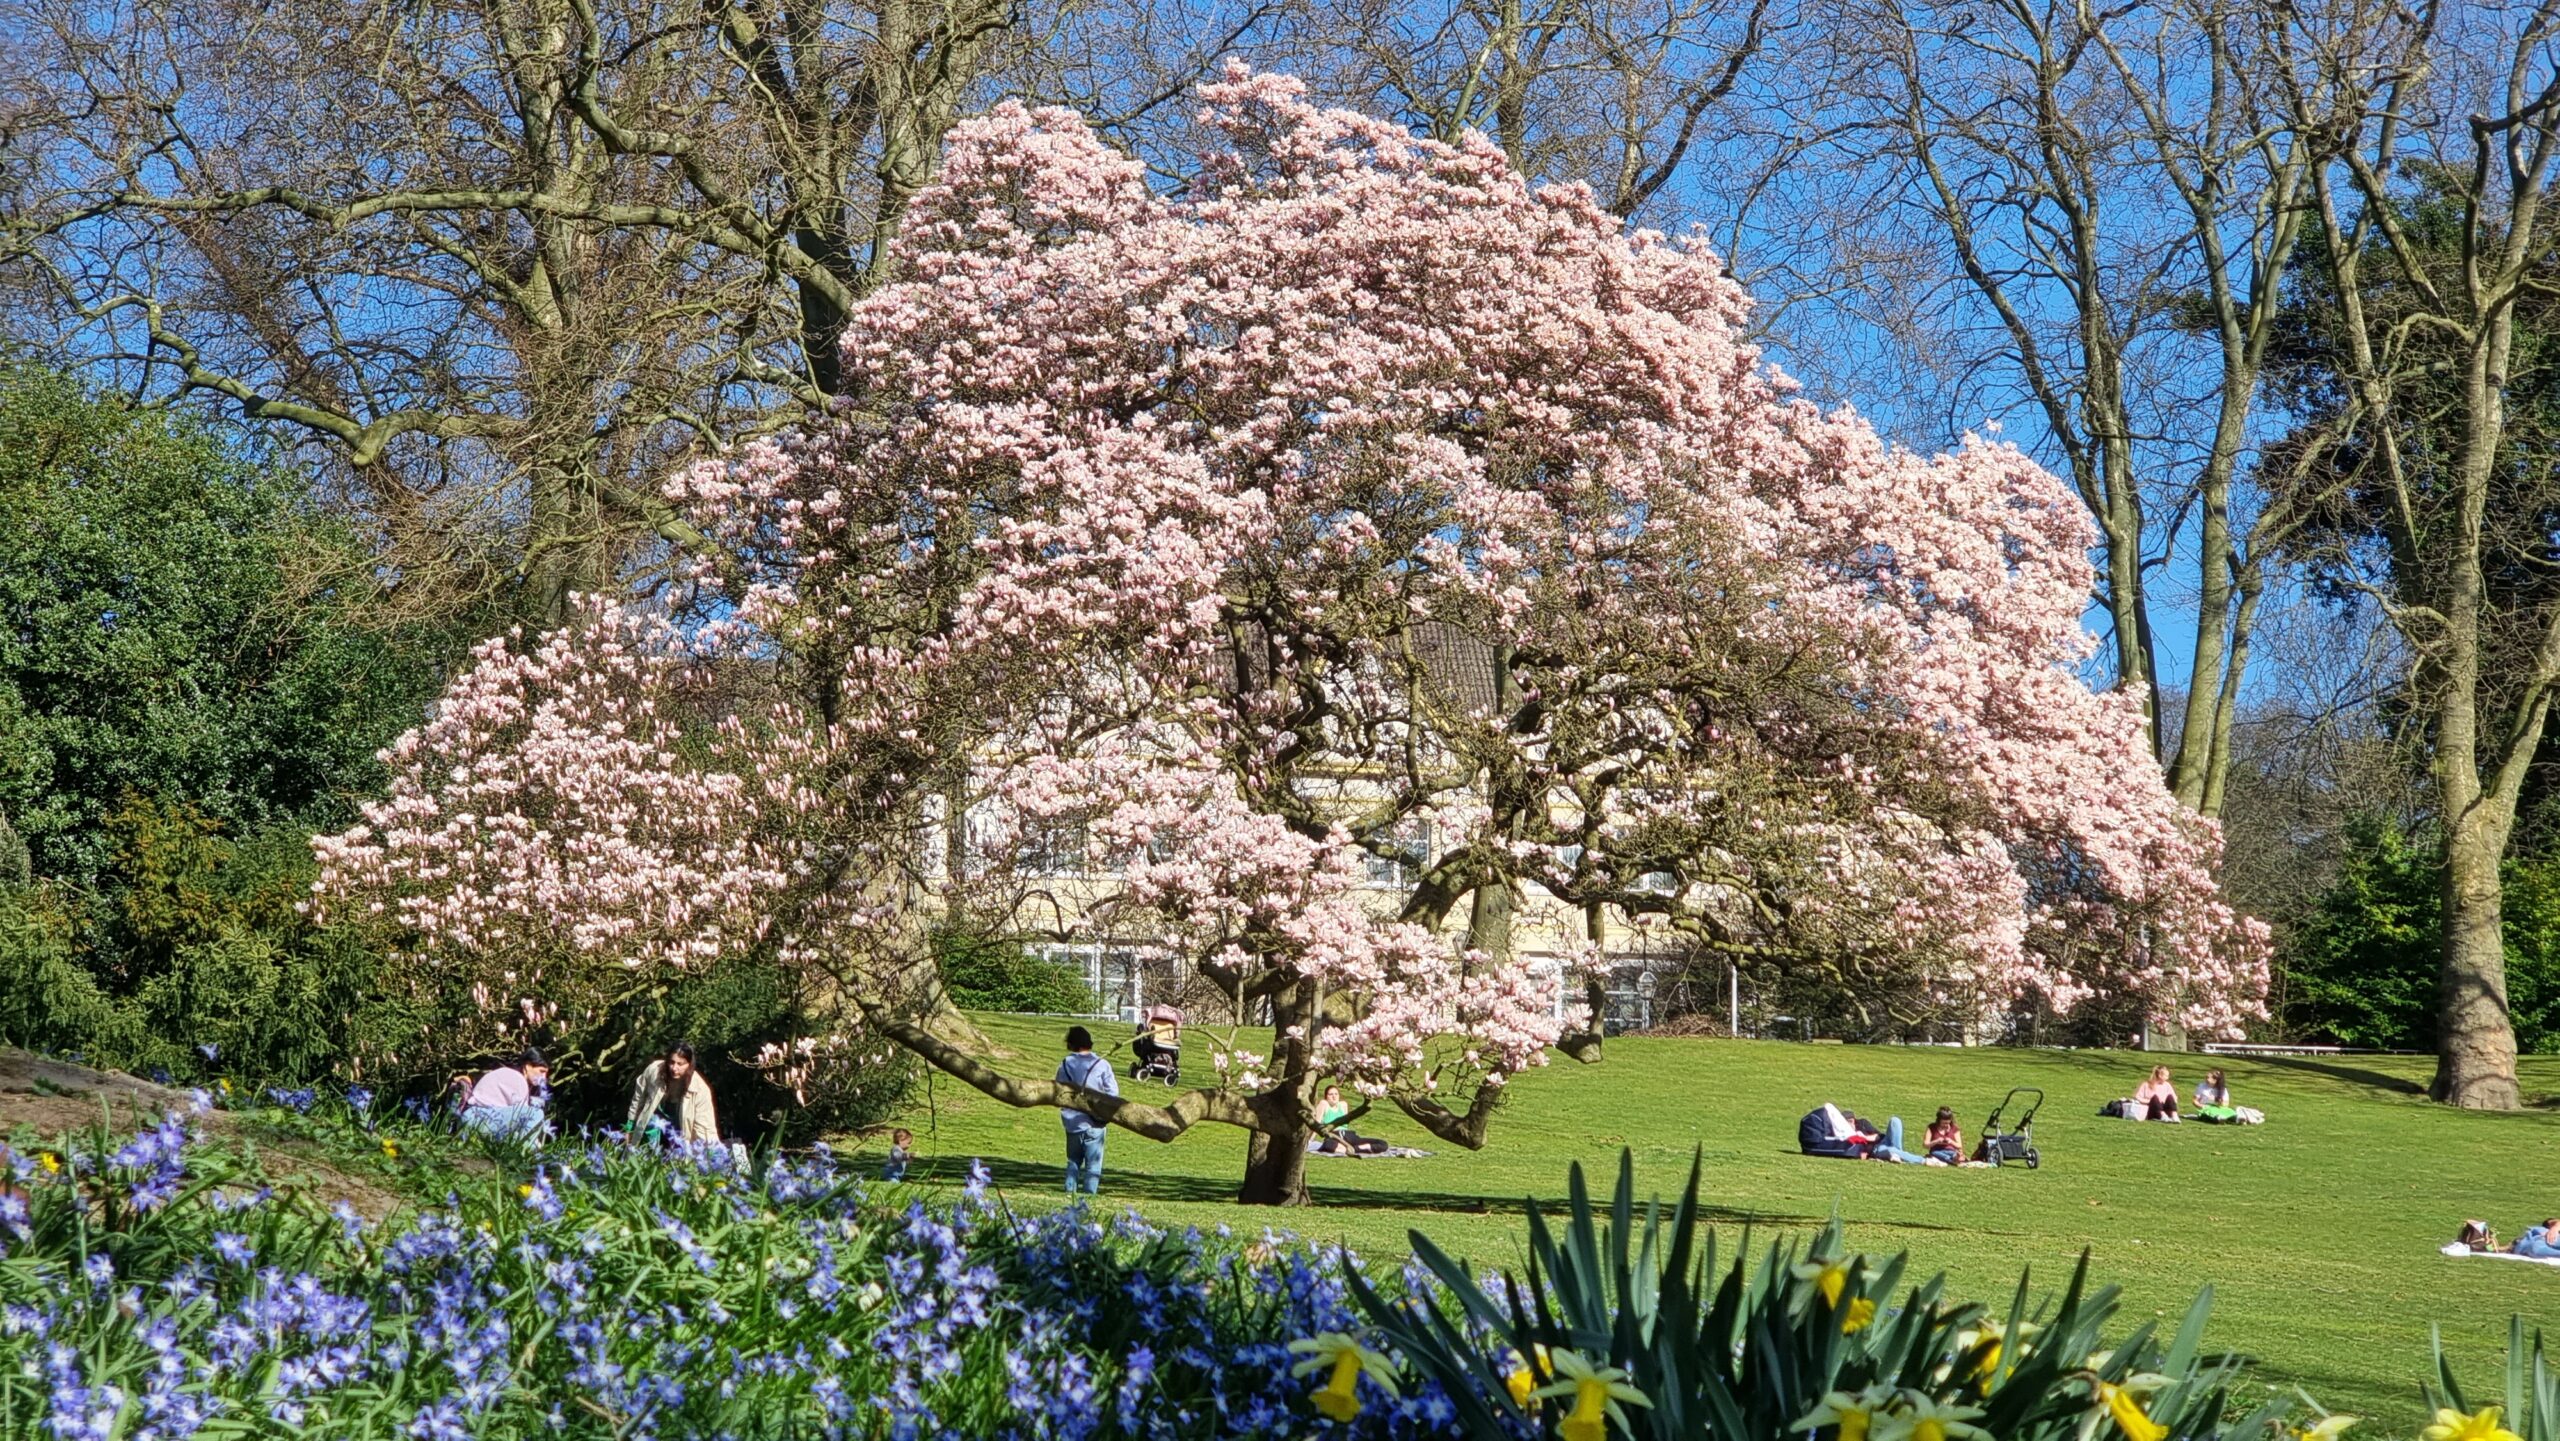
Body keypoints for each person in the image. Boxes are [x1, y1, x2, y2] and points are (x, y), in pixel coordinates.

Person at [1056, 1026, 1118, 1195]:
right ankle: (1090, 1196)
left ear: (1071, 1044)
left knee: (1073, 1161)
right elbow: (1113, 1093)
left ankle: (1069, 1194)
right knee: (1093, 1164)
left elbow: (1059, 1090)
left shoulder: (1065, 1064)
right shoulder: (1102, 1064)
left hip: (1072, 1122)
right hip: (1096, 1123)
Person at [626, 1042, 719, 1149]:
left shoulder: (700, 1090)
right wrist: (629, 1128)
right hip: (651, 1128)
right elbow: (638, 1099)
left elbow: (704, 1128)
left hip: (680, 1133)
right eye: (671, 1062)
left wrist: (710, 1155)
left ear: (689, 1064)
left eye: (680, 1064)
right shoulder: (653, 1071)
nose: (674, 1068)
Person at [462, 1048, 552, 1141]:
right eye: (541, 1071)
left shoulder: (508, 1074)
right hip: (478, 1118)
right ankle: (520, 1150)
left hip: (473, 1119)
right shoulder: (517, 1079)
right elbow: (523, 1121)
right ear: (528, 1066)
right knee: (536, 1114)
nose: (544, 1077)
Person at [1314, 1084, 1390, 1157]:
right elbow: (1315, 1125)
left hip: (1349, 1135)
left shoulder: (1343, 1105)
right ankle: (1359, 1149)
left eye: (1336, 1094)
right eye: (1330, 1094)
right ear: (1326, 1096)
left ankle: (1355, 1149)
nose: (1334, 1097)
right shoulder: (1324, 1104)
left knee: (1383, 1144)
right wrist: (1309, 1141)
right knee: (1328, 1145)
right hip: (1334, 1136)